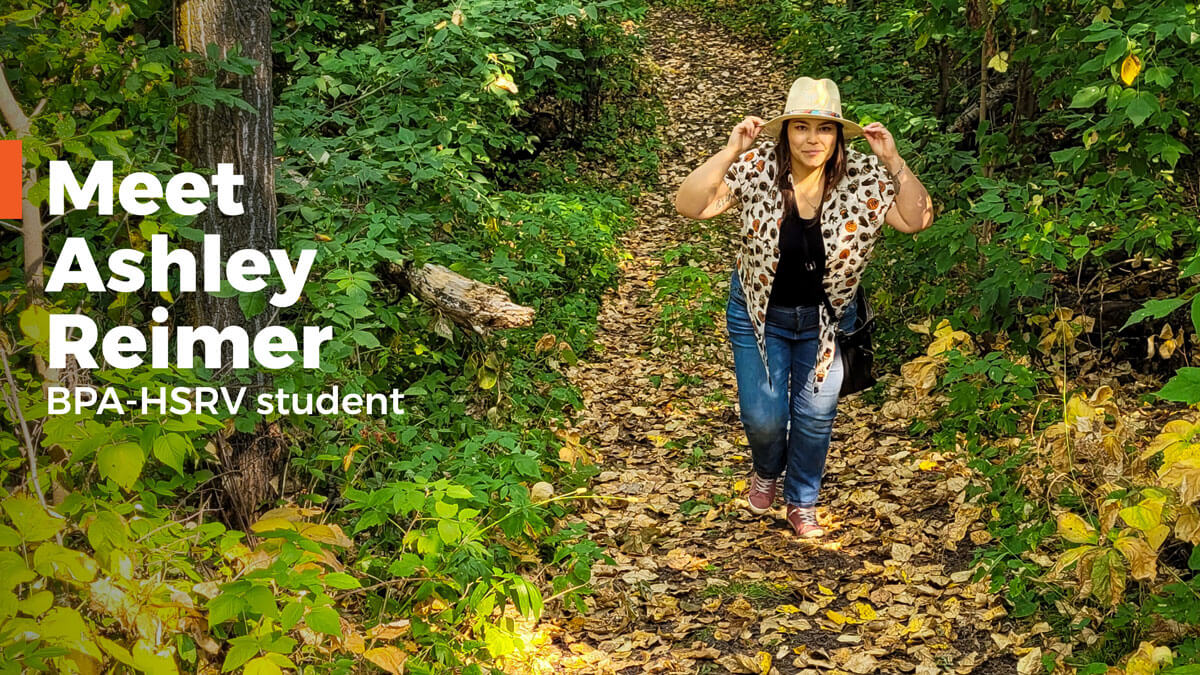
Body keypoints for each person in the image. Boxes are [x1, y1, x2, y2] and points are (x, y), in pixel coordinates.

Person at [673, 76, 934, 539]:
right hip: (758, 314)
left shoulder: (864, 177)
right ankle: (767, 470)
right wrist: (731, 150)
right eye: (801, 128)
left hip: (827, 322)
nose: (812, 140)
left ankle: (802, 500)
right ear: (785, 132)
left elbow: (916, 219)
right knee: (763, 417)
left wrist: (893, 160)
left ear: (837, 136)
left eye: (824, 130)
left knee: (814, 418)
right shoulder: (756, 168)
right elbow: (689, 204)